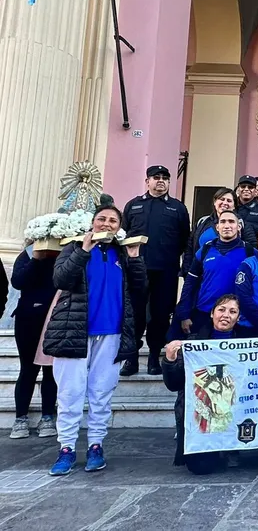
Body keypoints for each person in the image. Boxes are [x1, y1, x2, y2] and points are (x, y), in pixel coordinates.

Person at [45, 201, 146, 476]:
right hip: (74, 332)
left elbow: (140, 288)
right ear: (93, 222)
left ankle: (95, 445)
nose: (107, 224)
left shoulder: (122, 254)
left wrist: (135, 258)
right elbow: (61, 280)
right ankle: (66, 448)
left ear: (119, 227)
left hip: (111, 333)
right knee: (70, 393)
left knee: (101, 394)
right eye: (102, 219)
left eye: (113, 221)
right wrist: (83, 251)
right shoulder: (75, 248)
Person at [162, 294, 244, 475]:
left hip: (235, 409)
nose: (226, 315)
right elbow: (174, 384)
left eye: (232, 311)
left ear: (238, 318)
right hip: (204, 414)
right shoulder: (193, 343)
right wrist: (169, 360)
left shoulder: (247, 342)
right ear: (212, 313)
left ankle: (231, 449)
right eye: (221, 310)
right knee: (200, 467)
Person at [121, 165, 191, 376]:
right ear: (147, 181)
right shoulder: (133, 205)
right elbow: (124, 235)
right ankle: (131, 359)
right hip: (137, 270)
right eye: (156, 177)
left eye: (165, 178)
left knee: (160, 316)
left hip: (165, 271)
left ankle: (153, 357)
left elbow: (183, 240)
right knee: (135, 314)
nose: (160, 181)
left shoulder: (178, 208)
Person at [175, 210, 254, 337]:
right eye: (223, 222)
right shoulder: (205, 250)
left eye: (231, 221)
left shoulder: (249, 251)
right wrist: (184, 314)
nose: (227, 225)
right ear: (217, 227)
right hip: (204, 313)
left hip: (235, 316)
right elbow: (190, 284)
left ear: (239, 227)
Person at [9, 242, 59, 440]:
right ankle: (20, 418)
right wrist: (36, 259)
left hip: (56, 319)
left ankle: (47, 416)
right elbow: (18, 282)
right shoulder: (28, 254)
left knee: (51, 370)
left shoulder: (64, 255)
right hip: (28, 318)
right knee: (28, 369)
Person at [183, 188, 235, 275]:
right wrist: (187, 271)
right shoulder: (202, 222)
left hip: (229, 274)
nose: (225, 203)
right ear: (215, 202)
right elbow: (190, 247)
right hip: (200, 274)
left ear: (234, 206)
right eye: (222, 199)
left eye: (229, 200)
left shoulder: (241, 225)